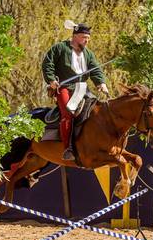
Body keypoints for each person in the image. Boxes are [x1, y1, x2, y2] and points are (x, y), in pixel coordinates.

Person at [41, 22, 109, 161]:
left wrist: (101, 83)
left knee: (96, 111)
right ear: (75, 36)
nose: (87, 40)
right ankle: (68, 148)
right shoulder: (60, 48)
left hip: (82, 88)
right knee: (68, 113)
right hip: (64, 87)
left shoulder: (89, 54)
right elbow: (48, 64)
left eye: (88, 38)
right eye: (84, 37)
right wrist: (52, 80)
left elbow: (95, 69)